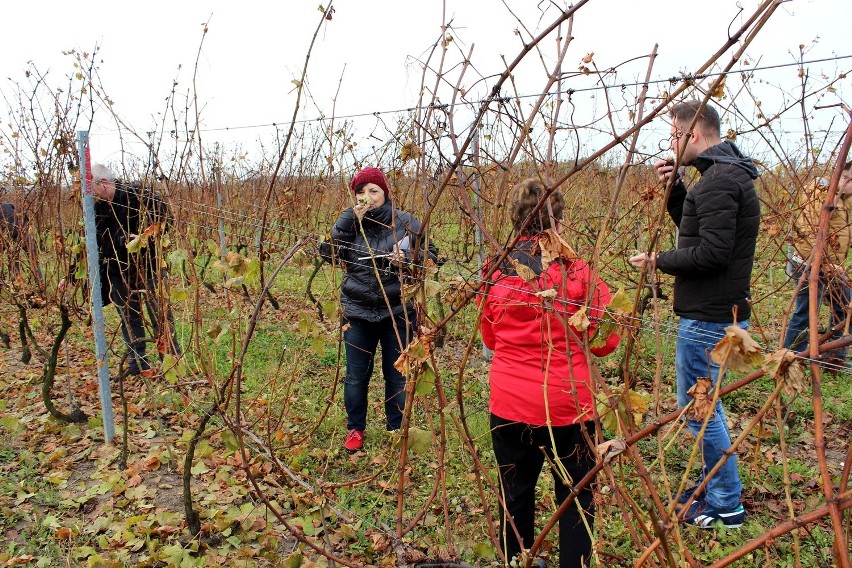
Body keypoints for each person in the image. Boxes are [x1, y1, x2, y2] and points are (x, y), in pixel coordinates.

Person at [630, 100, 759, 528]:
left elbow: (713, 253)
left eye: (673, 134)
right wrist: (679, 194)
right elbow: (700, 230)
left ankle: (725, 503)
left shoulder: (721, 182)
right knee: (706, 406)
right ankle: (715, 486)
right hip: (716, 311)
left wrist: (657, 260)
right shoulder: (720, 177)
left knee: (700, 409)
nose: (671, 142)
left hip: (708, 317)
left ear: (694, 135)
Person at [480, 178, 620, 568]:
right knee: (577, 498)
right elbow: (605, 342)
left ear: (516, 222)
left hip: (508, 405)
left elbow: (490, 336)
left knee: (515, 494)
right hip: (570, 406)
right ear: (557, 223)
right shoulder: (578, 273)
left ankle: (516, 561)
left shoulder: (494, 271)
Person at [319, 166, 438, 453]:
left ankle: (396, 429)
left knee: (396, 373)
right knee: (356, 375)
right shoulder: (349, 223)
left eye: (373, 191)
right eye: (361, 192)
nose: (367, 197)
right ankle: (355, 429)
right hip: (358, 312)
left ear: (385, 193)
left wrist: (409, 257)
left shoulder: (406, 222)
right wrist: (345, 223)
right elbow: (329, 253)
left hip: (397, 311)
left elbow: (432, 256)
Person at [70, 164, 180, 376]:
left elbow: (167, 222)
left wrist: (145, 236)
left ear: (103, 183)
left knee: (160, 314)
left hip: (149, 265)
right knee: (129, 316)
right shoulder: (95, 207)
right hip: (117, 269)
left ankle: (171, 363)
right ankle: (136, 363)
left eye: (90, 188)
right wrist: (73, 274)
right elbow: (87, 242)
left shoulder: (139, 195)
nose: (88, 194)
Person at [783, 162, 852, 363]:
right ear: (844, 176)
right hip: (811, 266)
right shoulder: (820, 194)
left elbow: (836, 233)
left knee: (845, 307)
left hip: (829, 268)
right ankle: (791, 358)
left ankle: (834, 357)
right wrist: (824, 263)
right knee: (805, 313)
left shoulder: (841, 199)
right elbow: (810, 233)